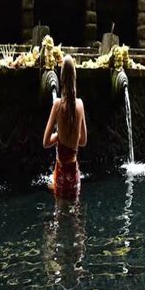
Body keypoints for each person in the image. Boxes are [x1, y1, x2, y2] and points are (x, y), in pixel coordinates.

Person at [43, 55, 87, 200]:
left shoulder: (57, 104)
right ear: (75, 76)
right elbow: (83, 141)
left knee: (60, 214)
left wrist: (58, 136)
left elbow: (46, 142)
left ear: (61, 78)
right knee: (75, 217)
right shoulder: (80, 104)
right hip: (74, 172)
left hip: (61, 172)